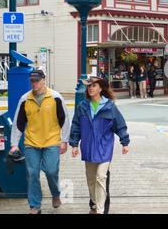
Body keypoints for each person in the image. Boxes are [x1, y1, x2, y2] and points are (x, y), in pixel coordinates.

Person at [10, 69, 71, 214]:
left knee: (51, 171)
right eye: (32, 81)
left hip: (51, 141)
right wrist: (14, 144)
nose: (34, 83)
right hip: (31, 143)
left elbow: (65, 121)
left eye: (37, 80)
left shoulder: (55, 97)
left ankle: (55, 194)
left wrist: (64, 141)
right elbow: (18, 123)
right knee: (32, 174)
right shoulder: (25, 99)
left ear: (44, 80)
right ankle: (35, 205)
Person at [69, 77, 130, 215]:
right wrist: (74, 144)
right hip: (88, 147)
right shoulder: (82, 106)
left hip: (105, 147)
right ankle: (95, 204)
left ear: (100, 88)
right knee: (91, 179)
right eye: (89, 86)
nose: (90, 88)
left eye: (94, 86)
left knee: (101, 176)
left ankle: (101, 210)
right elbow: (76, 126)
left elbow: (120, 125)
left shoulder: (110, 106)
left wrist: (124, 142)